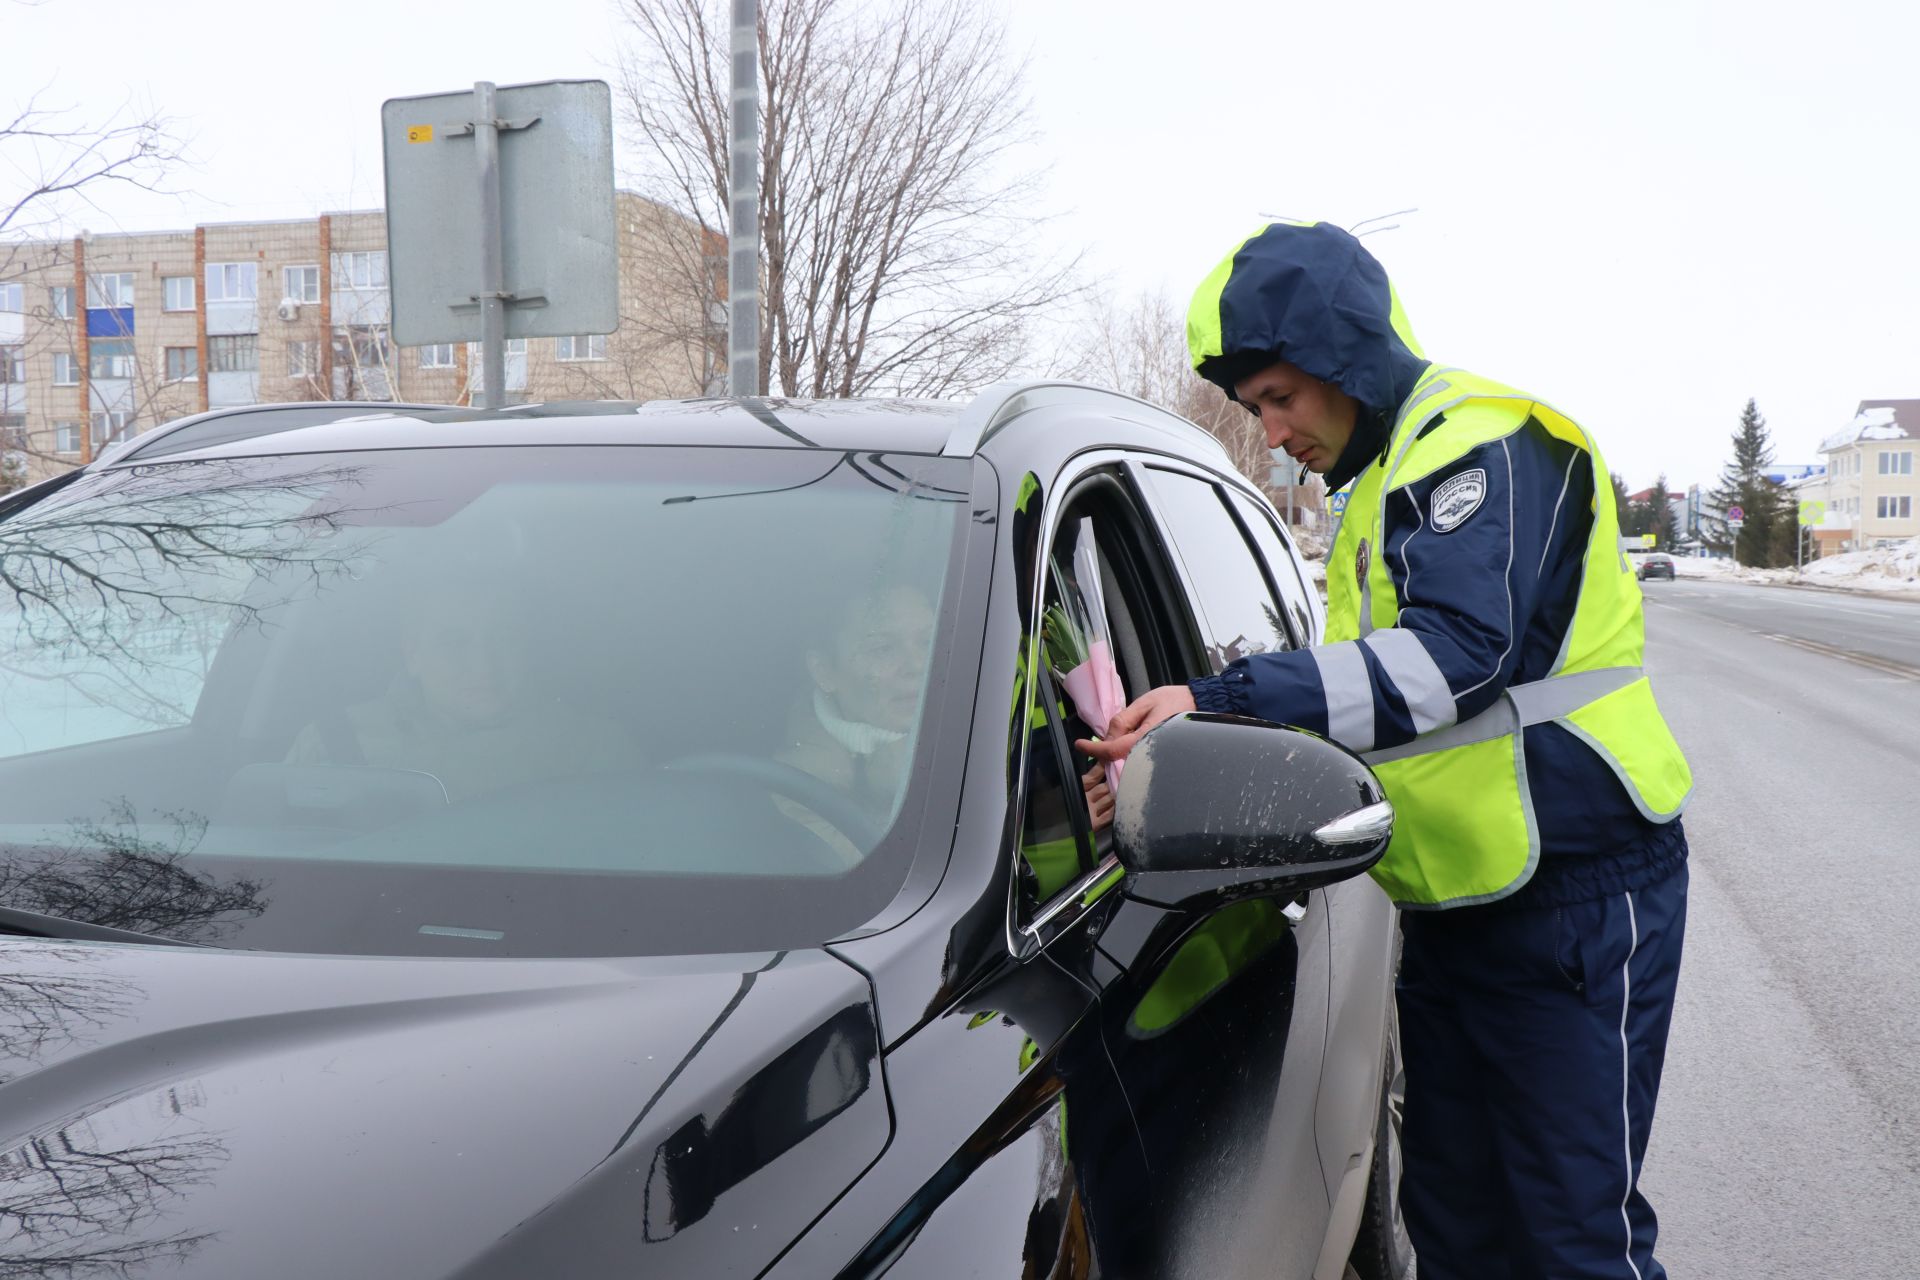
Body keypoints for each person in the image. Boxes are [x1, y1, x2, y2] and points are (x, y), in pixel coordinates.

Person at [1079, 221, 1693, 1280]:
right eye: (1255, 408)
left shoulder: (1481, 442)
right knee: (1455, 1219)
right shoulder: (1381, 484)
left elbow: (1452, 661)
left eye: (1280, 397)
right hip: (1459, 899)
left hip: (1579, 894)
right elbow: (1364, 699)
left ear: (1344, 356)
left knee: (1569, 1233)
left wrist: (1222, 699)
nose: (1272, 432)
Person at [286, 572, 640, 801]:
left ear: (528, 646)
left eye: (503, 639)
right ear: (412, 654)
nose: (483, 665)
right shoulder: (334, 743)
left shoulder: (593, 749)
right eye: (454, 643)